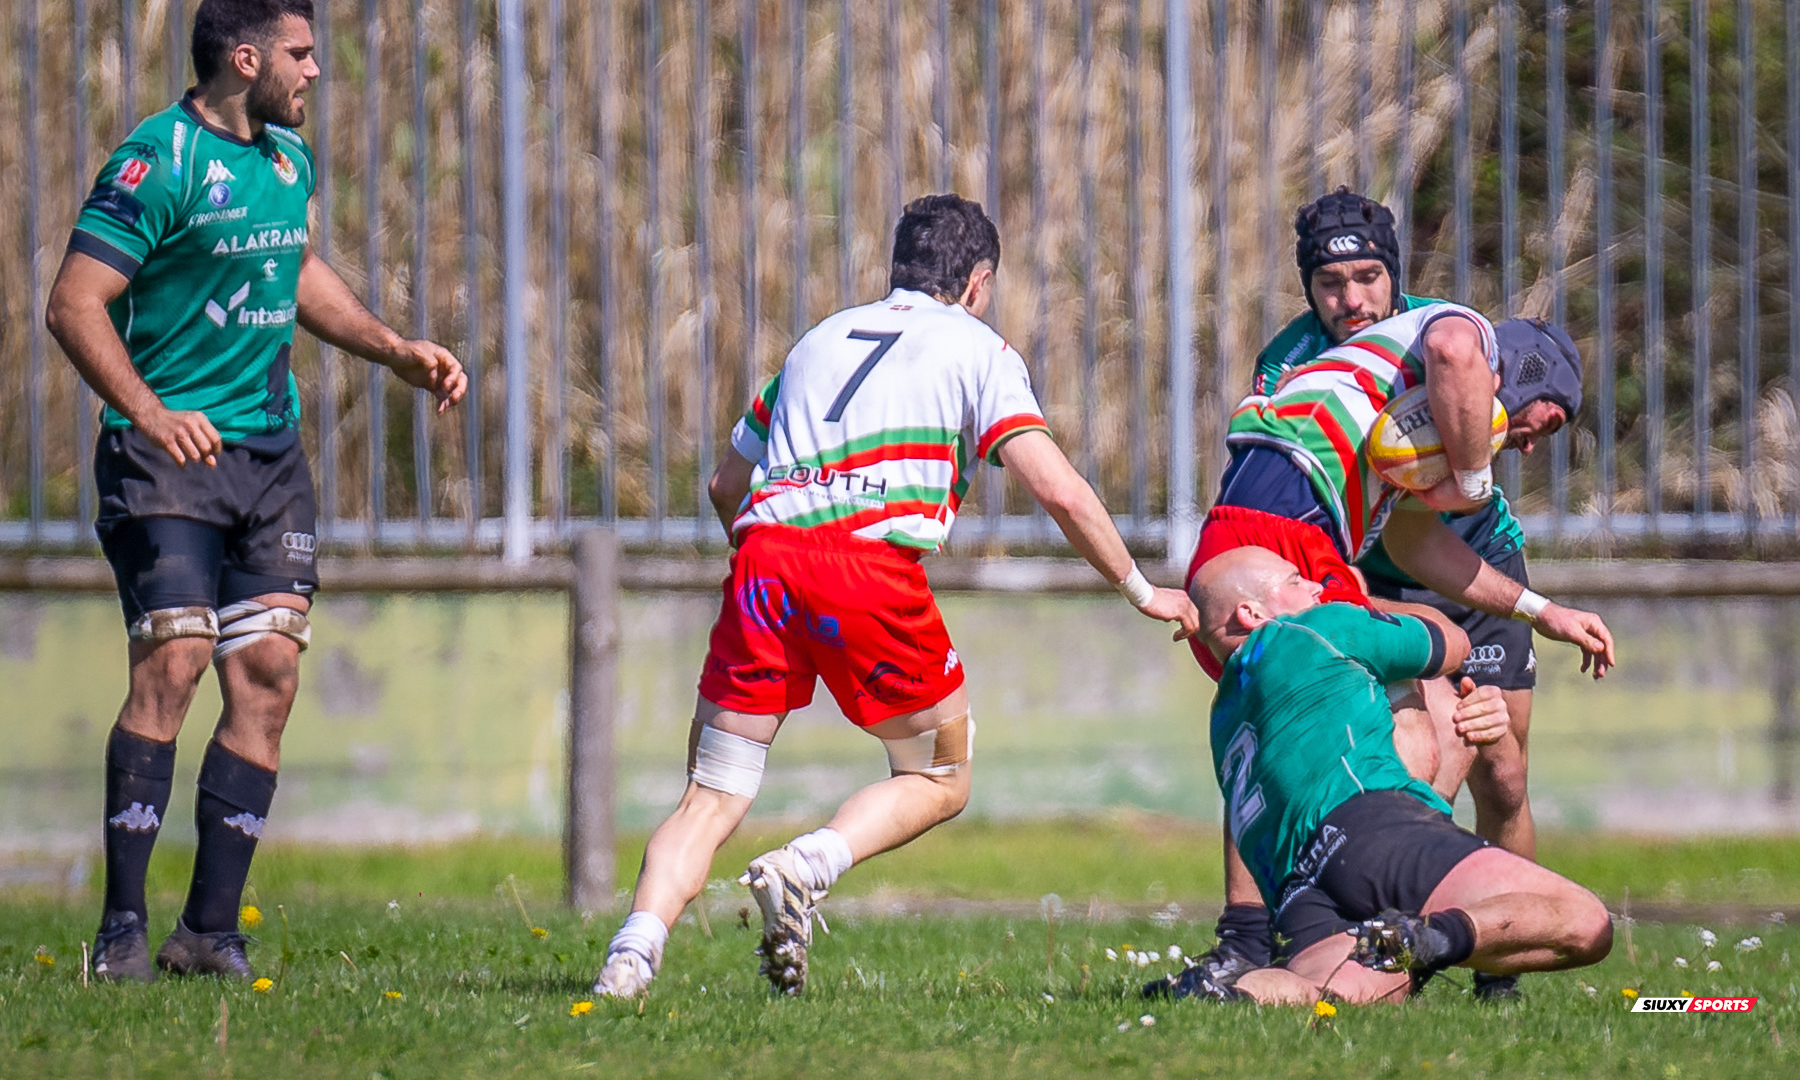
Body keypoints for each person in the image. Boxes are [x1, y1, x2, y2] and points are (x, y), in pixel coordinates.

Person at [593, 194, 1199, 1000]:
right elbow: (1057, 488)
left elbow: (724, 483)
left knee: (711, 793)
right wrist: (1139, 585)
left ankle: (630, 956)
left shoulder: (815, 341)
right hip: (869, 570)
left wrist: (766, 563)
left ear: (898, 268)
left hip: (765, 561)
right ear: (978, 283)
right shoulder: (977, 348)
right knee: (941, 771)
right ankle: (806, 866)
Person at [45, 0, 467, 982]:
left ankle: (209, 931)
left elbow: (297, 265)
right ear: (248, 60)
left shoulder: (287, 155)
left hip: (268, 459)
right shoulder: (157, 162)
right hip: (163, 460)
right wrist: (151, 410)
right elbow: (75, 303)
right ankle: (119, 934)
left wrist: (388, 346)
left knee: (268, 676)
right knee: (176, 663)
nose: (316, 71)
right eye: (302, 54)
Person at [1179, 192, 1615, 998]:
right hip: (1293, 536)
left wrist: (1541, 611)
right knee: (1431, 714)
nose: (1526, 441)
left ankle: (1311, 937)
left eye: (1368, 275)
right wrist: (1475, 479)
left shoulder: (1387, 380)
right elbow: (1454, 348)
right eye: (1533, 422)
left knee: (1368, 734)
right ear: (1511, 373)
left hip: (1283, 530)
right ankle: (1379, 902)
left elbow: (1411, 535)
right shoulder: (1458, 331)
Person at [1153, 546, 1612, 1005]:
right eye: (1295, 581)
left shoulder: (1225, 716)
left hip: (1297, 887)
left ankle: (1221, 995)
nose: (1315, 586)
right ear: (1251, 612)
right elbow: (1452, 643)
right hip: (1370, 828)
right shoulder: (1316, 628)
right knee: (1586, 921)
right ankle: (1430, 938)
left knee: (1325, 991)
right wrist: (1364, 597)